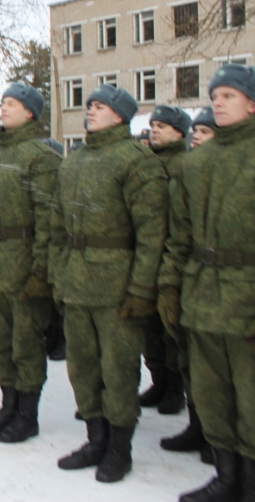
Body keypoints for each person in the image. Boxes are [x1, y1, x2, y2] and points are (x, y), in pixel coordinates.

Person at [51, 84, 167, 483]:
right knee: (82, 367)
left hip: (117, 285)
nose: (90, 111)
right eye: (90, 106)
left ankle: (120, 449)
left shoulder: (137, 161)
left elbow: (152, 233)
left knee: (118, 370)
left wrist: (141, 289)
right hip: (76, 281)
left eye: (99, 106)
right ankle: (95, 439)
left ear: (120, 116)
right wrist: (58, 275)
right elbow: (57, 226)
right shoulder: (74, 162)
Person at [159, 64, 255, 502]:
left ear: (253, 104)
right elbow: (179, 237)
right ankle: (226, 477)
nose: (217, 102)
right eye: (215, 95)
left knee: (253, 396)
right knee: (211, 392)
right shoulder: (195, 164)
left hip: (250, 297)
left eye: (229, 96)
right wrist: (169, 287)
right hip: (201, 296)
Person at [0, 83, 60, 443]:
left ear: (30, 113)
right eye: (2, 102)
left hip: (23, 263)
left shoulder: (42, 158)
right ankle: (9, 405)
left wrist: (41, 271)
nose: (3, 108)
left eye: (12, 104)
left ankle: (27, 414)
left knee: (26, 343)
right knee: (1, 342)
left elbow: (49, 220)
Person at [140, 105, 192, 417]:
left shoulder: (187, 165)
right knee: (149, 328)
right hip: (147, 256)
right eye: (153, 125)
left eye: (162, 126)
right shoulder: (146, 163)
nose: (154, 130)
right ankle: (159, 381)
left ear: (180, 133)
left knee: (171, 328)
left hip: (174, 257)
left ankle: (175, 388)